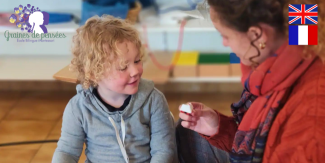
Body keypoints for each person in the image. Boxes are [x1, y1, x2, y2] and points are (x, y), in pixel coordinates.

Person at [176, 0, 325, 163]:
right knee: (186, 133)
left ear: (256, 35)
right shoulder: (302, 34)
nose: (225, 44)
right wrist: (218, 127)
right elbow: (266, 142)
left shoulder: (311, 125)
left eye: (225, 35)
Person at [52, 15, 178, 163]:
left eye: (137, 61)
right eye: (123, 67)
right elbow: (67, 151)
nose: (135, 71)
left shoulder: (154, 100)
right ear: (94, 73)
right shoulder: (77, 108)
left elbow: (163, 150)